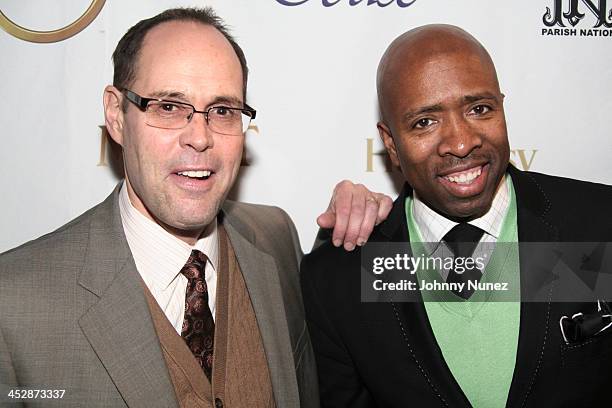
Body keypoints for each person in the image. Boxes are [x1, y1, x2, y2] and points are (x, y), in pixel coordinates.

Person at [0, 7, 393, 408]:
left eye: (222, 111)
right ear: (116, 116)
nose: (200, 138)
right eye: (168, 107)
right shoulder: (14, 304)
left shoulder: (275, 238)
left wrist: (378, 227)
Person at [301, 24, 612, 407]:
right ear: (390, 144)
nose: (461, 142)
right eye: (424, 122)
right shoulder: (340, 278)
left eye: (479, 109)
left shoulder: (599, 222)